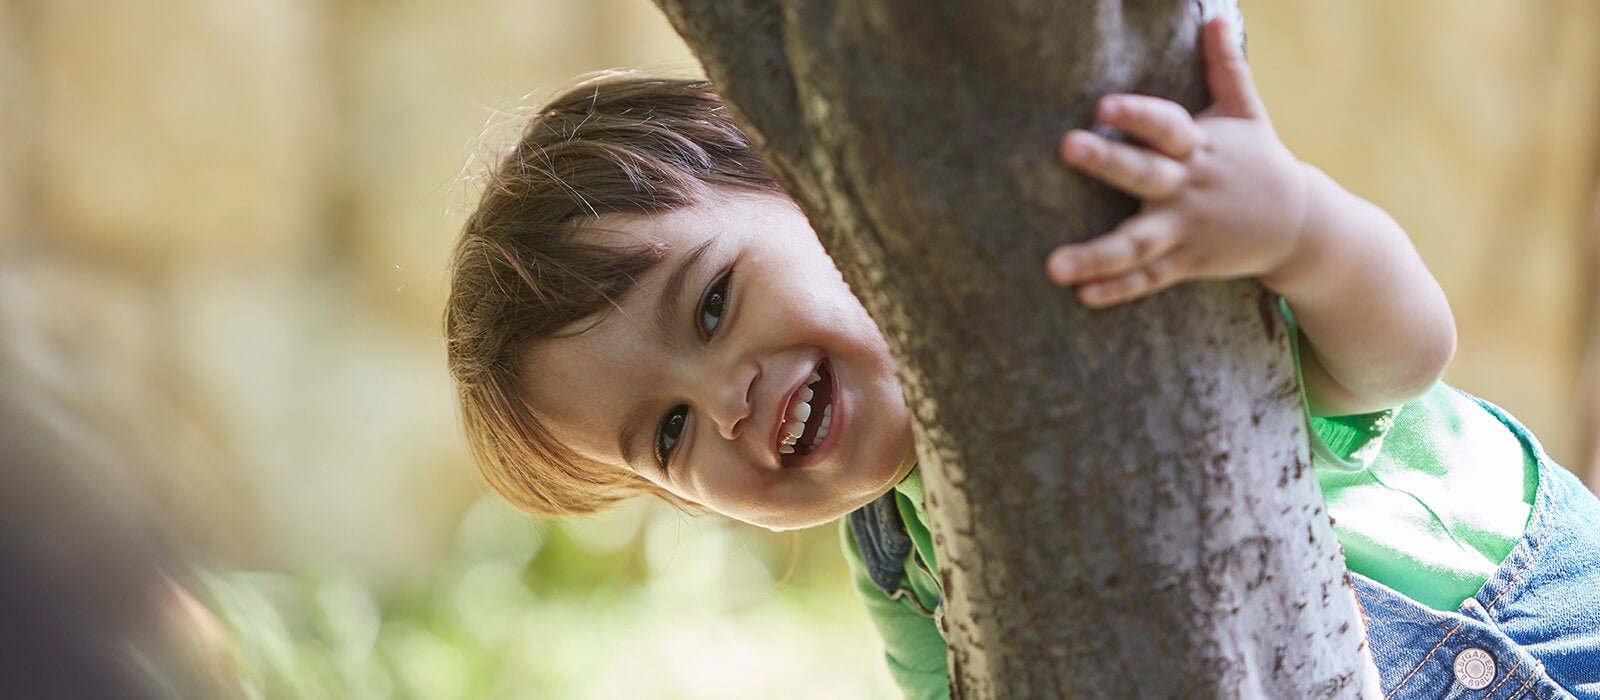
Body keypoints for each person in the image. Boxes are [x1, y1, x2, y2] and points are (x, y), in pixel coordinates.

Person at [445, 17, 1600, 699]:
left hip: (1541, 628)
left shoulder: (1083, 276)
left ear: (821, 186)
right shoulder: (896, 556)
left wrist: (1294, 227)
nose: (725, 398)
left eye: (708, 306)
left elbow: (1403, 354)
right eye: (668, 434)